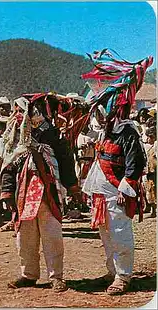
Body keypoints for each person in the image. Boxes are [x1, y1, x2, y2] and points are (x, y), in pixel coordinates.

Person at [81, 51, 152, 295]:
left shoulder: (127, 132)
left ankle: (124, 275)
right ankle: (112, 271)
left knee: (120, 233)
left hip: (117, 191)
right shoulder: (106, 131)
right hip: (101, 192)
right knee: (106, 234)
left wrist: (126, 186)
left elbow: (136, 162)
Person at [0, 94, 80, 292]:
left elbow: (65, 160)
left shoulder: (52, 135)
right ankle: (29, 274)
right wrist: (7, 191)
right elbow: (8, 164)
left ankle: (56, 276)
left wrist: (72, 186)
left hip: (48, 191)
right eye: (15, 111)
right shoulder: (16, 137)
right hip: (24, 193)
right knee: (25, 235)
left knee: (51, 234)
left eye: (21, 110)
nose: (17, 114)